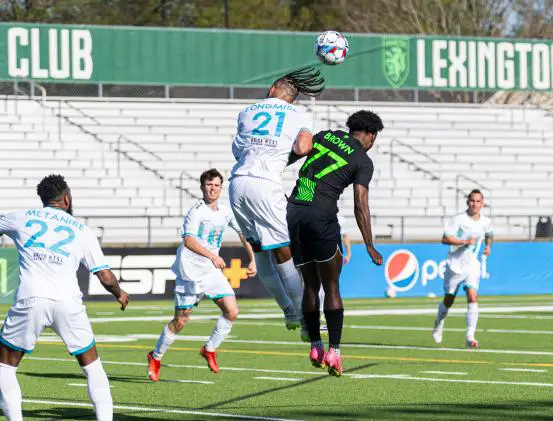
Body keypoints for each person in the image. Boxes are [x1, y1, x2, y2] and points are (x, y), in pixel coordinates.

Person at [0, 174, 129, 421]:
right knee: (92, 366)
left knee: (5, 367)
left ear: (44, 199)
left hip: (31, 298)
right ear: (67, 199)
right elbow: (105, 276)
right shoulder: (82, 230)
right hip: (68, 302)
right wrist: (120, 293)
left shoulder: (22, 217)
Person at [229, 66, 324, 340]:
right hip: (265, 183)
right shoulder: (300, 114)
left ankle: (288, 310)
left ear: (272, 90)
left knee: (260, 251)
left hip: (237, 184)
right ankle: (306, 320)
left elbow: (238, 150)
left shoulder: (246, 111)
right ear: (292, 98)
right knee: (285, 252)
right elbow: (303, 148)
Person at [286, 110, 384, 377]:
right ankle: (334, 352)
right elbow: (360, 204)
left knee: (309, 283)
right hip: (321, 216)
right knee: (331, 286)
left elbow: (292, 154)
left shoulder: (325, 136)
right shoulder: (363, 161)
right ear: (371, 135)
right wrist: (369, 244)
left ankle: (316, 346)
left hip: (294, 212)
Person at [147, 169, 255, 381]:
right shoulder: (196, 211)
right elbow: (189, 241)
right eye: (209, 185)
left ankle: (209, 349)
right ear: (202, 187)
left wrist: (253, 259)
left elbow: (244, 234)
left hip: (211, 272)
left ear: (221, 188)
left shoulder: (225, 211)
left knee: (232, 312)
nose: (212, 189)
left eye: (216, 185)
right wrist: (212, 256)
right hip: (190, 272)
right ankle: (155, 356)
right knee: (180, 321)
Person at [432, 189, 493, 349]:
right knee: (449, 300)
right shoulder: (458, 220)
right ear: (468, 202)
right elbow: (445, 238)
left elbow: (489, 234)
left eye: (478, 201)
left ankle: (470, 336)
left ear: (483, 203)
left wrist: (488, 247)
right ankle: (439, 322)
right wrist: (464, 242)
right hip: (455, 265)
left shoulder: (485, 221)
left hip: (472, 265)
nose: (475, 204)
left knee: (473, 297)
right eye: (472, 201)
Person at [318, 215, 351, 330]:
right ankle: (322, 312)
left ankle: (323, 312)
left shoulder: (340, 218)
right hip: (324, 252)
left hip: (332, 253)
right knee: (326, 284)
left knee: (328, 284)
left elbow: (345, 236)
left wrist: (348, 252)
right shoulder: (318, 213)